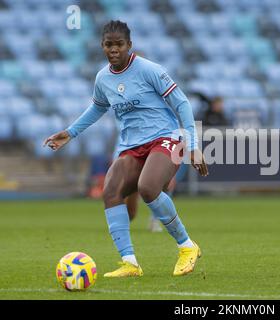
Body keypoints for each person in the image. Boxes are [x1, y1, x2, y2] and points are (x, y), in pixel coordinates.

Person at [43, 20, 208, 278]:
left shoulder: (149, 69)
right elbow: (98, 107)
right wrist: (70, 132)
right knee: (110, 191)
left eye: (119, 44)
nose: (114, 49)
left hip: (166, 138)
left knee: (148, 188)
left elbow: (182, 103)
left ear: (129, 45)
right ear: (102, 46)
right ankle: (130, 263)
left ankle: (187, 246)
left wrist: (194, 146)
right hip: (132, 146)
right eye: (109, 45)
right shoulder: (103, 78)